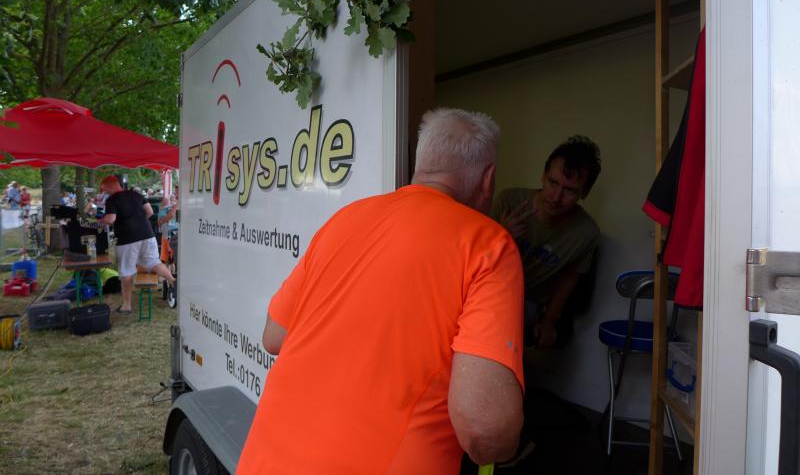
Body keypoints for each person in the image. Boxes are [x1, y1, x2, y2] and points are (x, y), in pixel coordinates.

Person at [237, 108, 525, 474]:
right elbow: (484, 429)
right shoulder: (488, 245)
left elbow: (275, 336)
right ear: (488, 179)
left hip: (263, 461)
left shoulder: (344, 219)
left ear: (421, 163)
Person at [491, 135, 601, 349]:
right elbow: (475, 260)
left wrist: (549, 321)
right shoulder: (510, 201)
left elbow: (569, 278)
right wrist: (502, 235)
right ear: (543, 176)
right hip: (491, 292)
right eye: (552, 183)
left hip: (529, 303)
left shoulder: (586, 233)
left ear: (584, 193)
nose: (556, 197)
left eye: (569, 190)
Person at [97, 175, 175, 313]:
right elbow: (150, 212)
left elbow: (110, 219)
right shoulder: (136, 194)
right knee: (154, 262)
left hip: (127, 239)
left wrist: (100, 221)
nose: (104, 192)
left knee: (126, 272)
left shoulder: (112, 199)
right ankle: (173, 281)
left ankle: (126, 306)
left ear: (110, 186)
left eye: (104, 189)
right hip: (147, 234)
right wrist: (138, 222)